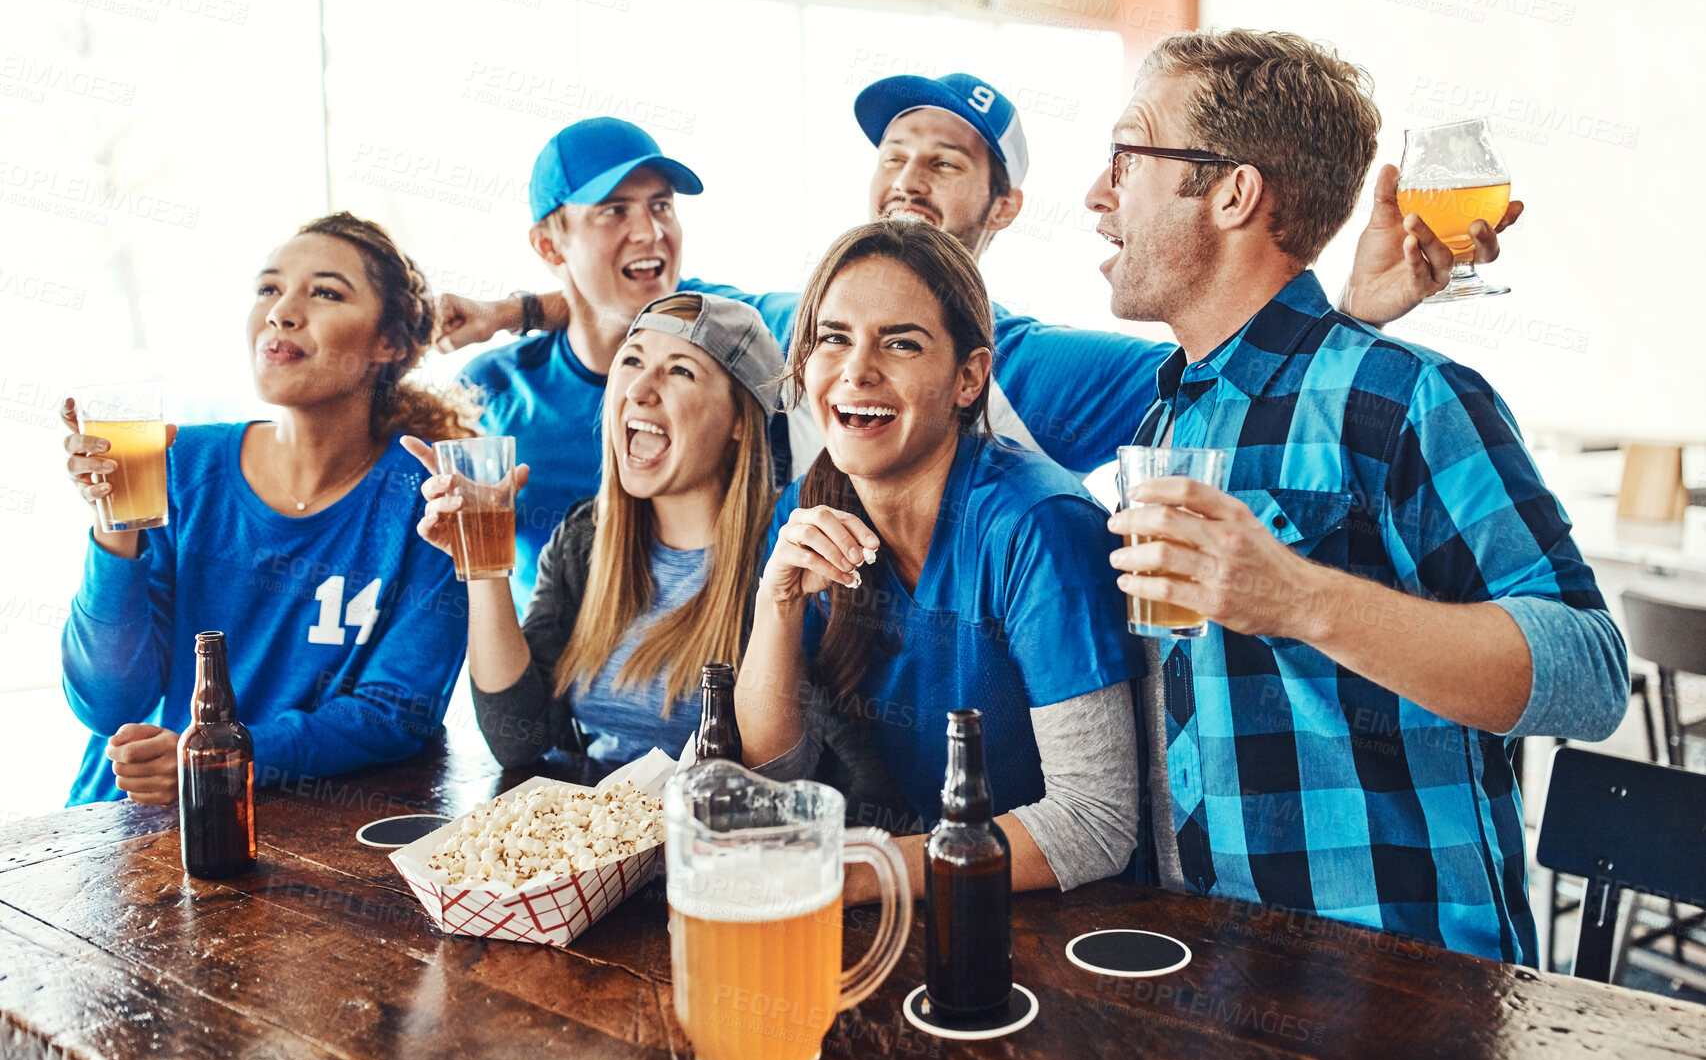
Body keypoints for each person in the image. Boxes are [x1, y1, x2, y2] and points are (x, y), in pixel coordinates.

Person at [1086, 28, 1625, 964]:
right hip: (1214, 965)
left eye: (1128, 156)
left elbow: (1591, 675)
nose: (1099, 193)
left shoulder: (1414, 399)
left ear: (1233, 192)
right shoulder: (1176, 415)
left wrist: (1297, 598)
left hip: (1402, 984)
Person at [437, 74, 1519, 479]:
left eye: (945, 161)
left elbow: (1232, 367)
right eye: (895, 150)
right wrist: (509, 306)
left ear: (1000, 209)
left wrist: (1351, 310)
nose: (909, 175)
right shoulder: (787, 322)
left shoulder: (1046, 367)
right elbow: (663, 306)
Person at [453, 116, 1041, 610]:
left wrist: (512, 308)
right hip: (561, 696)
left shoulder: (738, 328)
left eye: (661, 205)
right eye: (613, 211)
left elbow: (880, 306)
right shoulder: (488, 391)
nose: (651, 231)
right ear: (550, 247)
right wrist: (515, 311)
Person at [735, 217, 1142, 899]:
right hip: (924, 899)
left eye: (900, 343)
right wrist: (775, 605)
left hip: (1058, 917)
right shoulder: (810, 510)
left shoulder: (1038, 528)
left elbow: (1095, 823)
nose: (856, 370)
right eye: (833, 338)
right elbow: (771, 771)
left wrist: (853, 871)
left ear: (968, 379)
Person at [60, 213, 476, 806]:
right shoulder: (178, 465)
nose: (281, 311)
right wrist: (114, 528)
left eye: (326, 292)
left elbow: (396, 713)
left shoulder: (432, 496)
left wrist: (226, 757)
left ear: (390, 343)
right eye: (268, 289)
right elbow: (107, 703)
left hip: (295, 831)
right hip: (121, 824)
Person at [405, 292, 783, 766]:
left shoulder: (784, 555)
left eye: (681, 370)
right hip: (597, 829)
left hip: (711, 832)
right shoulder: (584, 537)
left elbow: (788, 766)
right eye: (631, 361)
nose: (639, 390)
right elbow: (517, 739)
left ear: (739, 422)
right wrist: (481, 556)